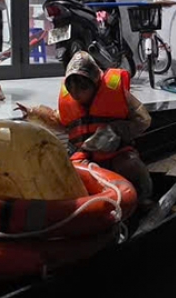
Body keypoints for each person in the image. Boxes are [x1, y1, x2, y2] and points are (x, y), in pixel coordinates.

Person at [18, 51, 154, 206]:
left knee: (131, 165)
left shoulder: (117, 94)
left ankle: (143, 200)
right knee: (66, 174)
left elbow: (143, 120)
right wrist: (33, 113)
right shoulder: (70, 103)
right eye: (71, 87)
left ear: (94, 83)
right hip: (82, 155)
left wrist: (116, 129)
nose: (76, 93)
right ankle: (75, 208)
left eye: (82, 87)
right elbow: (59, 120)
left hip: (116, 152)